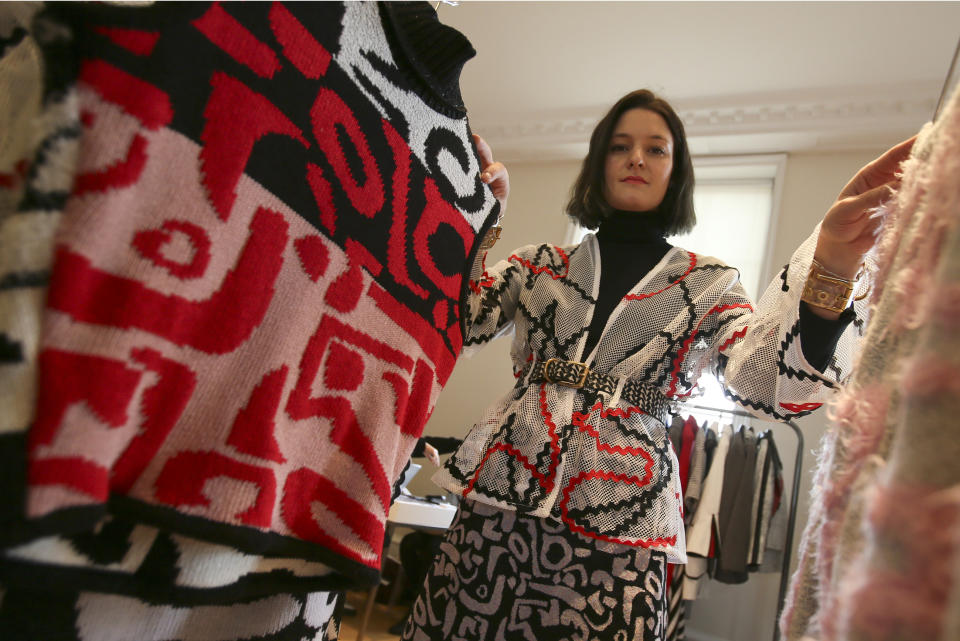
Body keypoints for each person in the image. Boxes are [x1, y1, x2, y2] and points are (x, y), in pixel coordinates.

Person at [399, 89, 914, 640]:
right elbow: (458, 317)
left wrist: (833, 263)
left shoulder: (708, 283)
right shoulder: (538, 264)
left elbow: (761, 381)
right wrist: (479, 216)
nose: (636, 158)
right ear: (599, 164)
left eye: (656, 149)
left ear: (678, 171)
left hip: (622, 523)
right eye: (620, 146)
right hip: (501, 501)